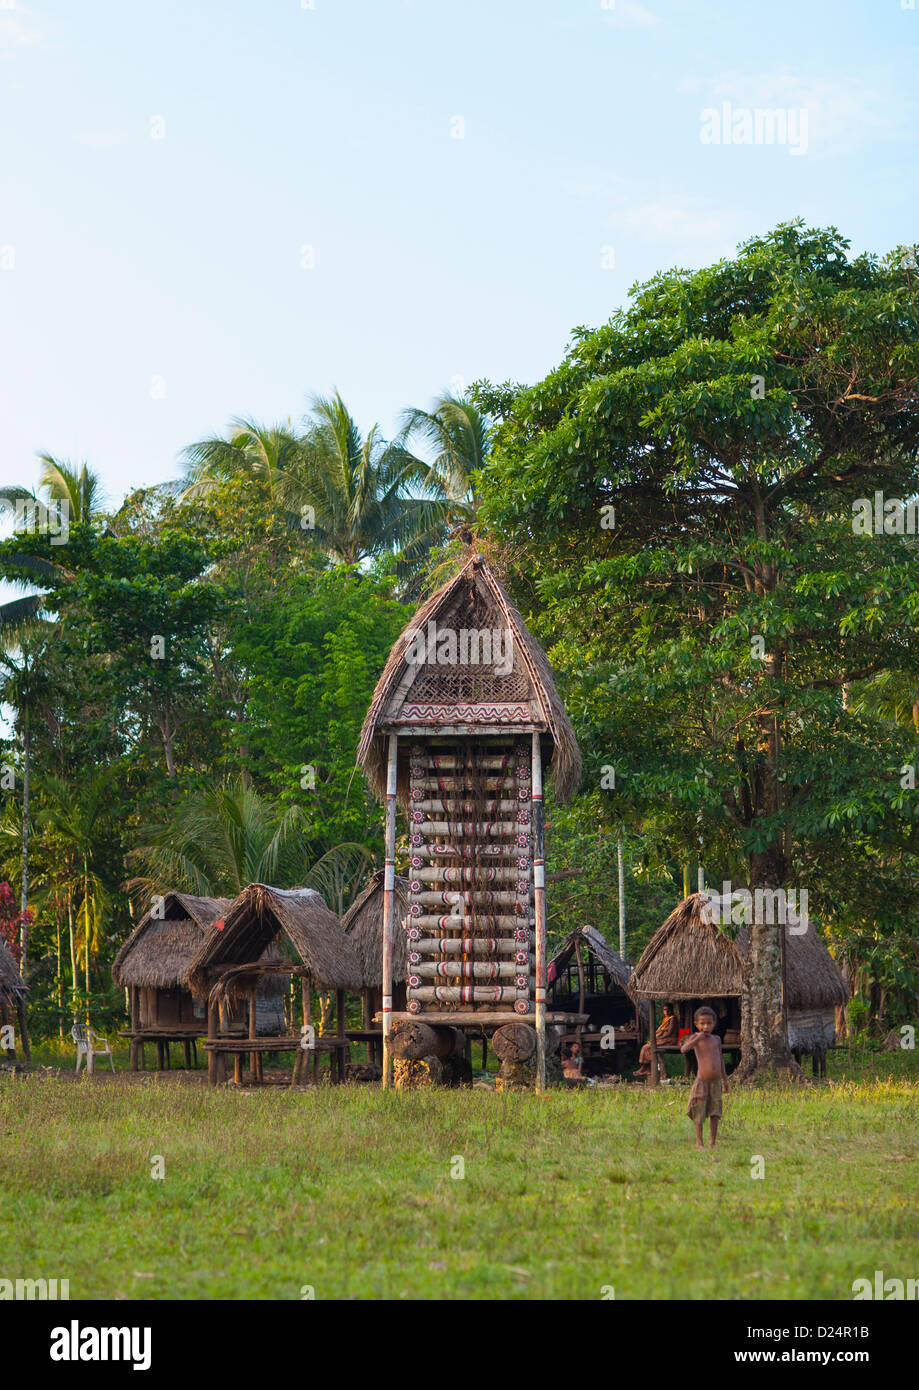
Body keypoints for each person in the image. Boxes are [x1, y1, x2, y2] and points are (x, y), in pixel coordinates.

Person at [680, 1005, 728, 1149]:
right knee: (699, 1111)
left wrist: (725, 1081)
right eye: (702, 1023)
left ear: (714, 1023)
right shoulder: (696, 1038)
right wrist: (697, 1038)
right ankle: (700, 1143)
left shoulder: (717, 1039)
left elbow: (720, 1060)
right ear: (696, 1024)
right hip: (702, 1081)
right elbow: (684, 1049)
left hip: (716, 1082)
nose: (706, 1026)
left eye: (709, 1023)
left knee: (715, 1112)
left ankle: (712, 1142)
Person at [636, 1003, 678, 1075]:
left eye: (668, 1010)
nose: (666, 1012)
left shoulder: (672, 1019)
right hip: (664, 1039)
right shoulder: (665, 1019)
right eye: (665, 1010)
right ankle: (645, 1068)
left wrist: (659, 1037)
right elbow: (662, 1031)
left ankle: (646, 1068)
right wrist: (658, 1036)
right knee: (646, 1047)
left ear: (671, 1010)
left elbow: (669, 1033)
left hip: (670, 1040)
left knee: (647, 1047)